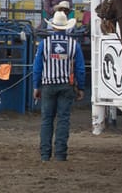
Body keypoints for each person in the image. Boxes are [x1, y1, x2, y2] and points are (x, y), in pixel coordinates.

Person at [33, 11, 86, 162]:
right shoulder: (73, 44)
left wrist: (36, 86)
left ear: (53, 26)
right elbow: (80, 69)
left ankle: (45, 154)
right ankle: (60, 154)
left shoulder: (44, 44)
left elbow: (37, 67)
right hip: (66, 85)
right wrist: (81, 88)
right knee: (63, 119)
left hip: (48, 85)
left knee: (46, 119)